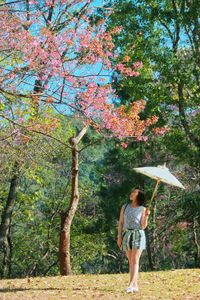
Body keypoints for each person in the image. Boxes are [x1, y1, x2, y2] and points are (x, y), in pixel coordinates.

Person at [117, 188, 150, 293]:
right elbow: (121, 223)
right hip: (127, 234)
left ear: (139, 195)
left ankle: (131, 284)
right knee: (131, 261)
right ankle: (135, 285)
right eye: (131, 192)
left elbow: (143, 226)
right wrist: (119, 236)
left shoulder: (142, 209)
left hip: (138, 234)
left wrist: (146, 216)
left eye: (134, 192)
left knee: (135, 260)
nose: (131, 193)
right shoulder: (125, 207)